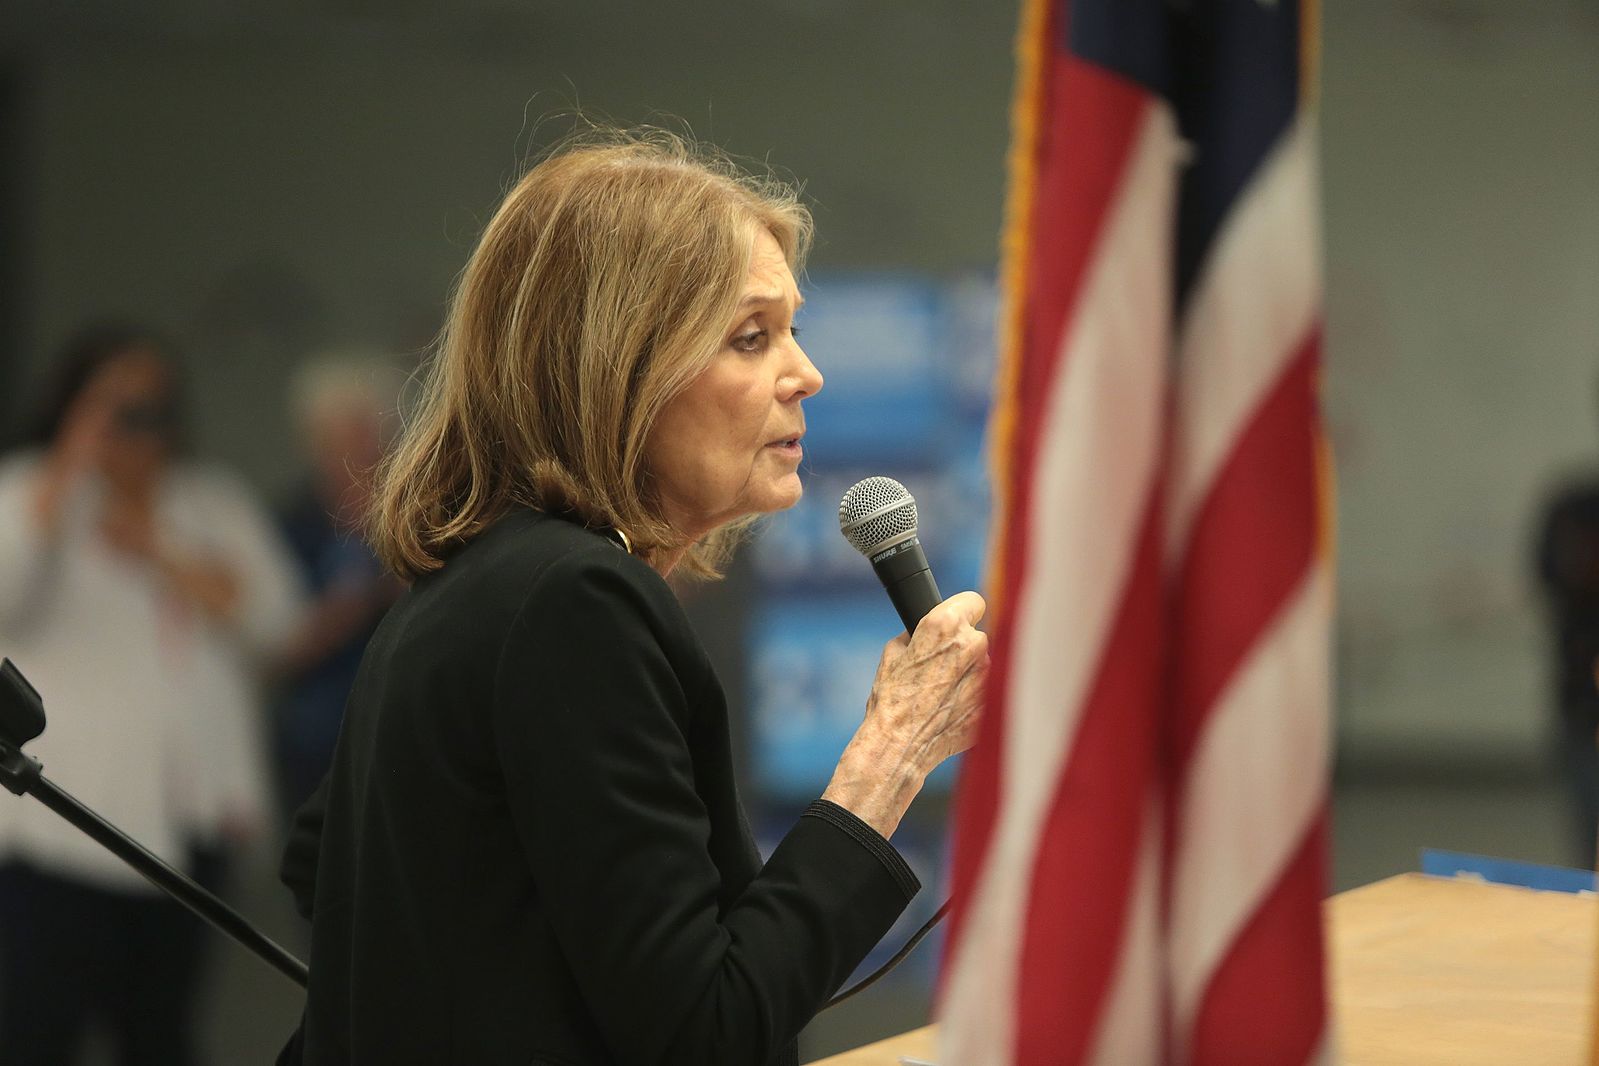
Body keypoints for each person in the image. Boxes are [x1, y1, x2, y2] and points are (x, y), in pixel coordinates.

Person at [276, 131, 989, 1066]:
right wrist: (891, 756)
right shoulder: (574, 602)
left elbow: (324, 861)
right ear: (620, 366)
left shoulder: (487, 579)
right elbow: (705, 1027)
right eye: (750, 336)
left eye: (794, 329)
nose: (803, 374)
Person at [0, 324, 304, 1065]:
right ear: (73, 406)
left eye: (151, 409)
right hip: (58, 824)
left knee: (159, 1036)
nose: (136, 427)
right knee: (36, 1031)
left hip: (190, 822)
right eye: (115, 407)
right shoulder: (25, 490)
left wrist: (156, 544)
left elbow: (279, 624)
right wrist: (70, 473)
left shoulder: (209, 501)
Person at [272, 355, 403, 819]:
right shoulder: (289, 528)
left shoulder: (416, 519)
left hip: (399, 732)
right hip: (317, 740)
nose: (356, 461)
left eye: (368, 441)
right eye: (340, 444)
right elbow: (277, 647)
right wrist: (350, 605)